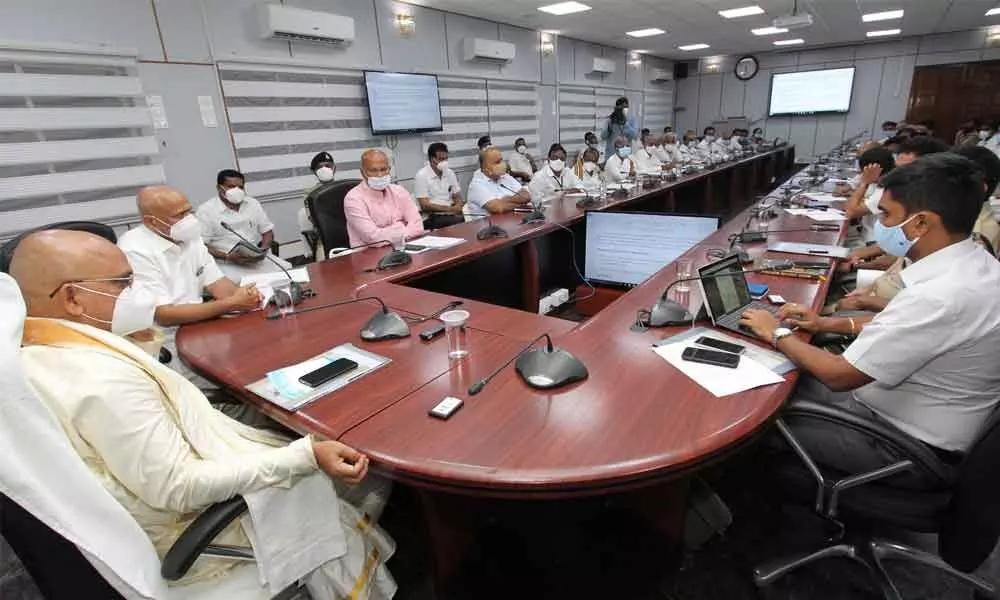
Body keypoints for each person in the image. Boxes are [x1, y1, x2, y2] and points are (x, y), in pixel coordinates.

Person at [11, 230, 396, 598]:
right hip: (202, 531)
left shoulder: (39, 350)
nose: (139, 294)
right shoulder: (99, 380)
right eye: (122, 283)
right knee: (371, 469)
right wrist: (306, 456)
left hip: (159, 485)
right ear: (74, 300)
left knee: (281, 424)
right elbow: (179, 489)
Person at [741, 153, 1000, 483]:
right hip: (900, 412)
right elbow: (909, 327)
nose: (882, 225)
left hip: (901, 447)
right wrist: (823, 323)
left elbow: (839, 376)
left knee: (756, 419)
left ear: (922, 223)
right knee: (778, 378)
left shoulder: (942, 295)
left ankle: (765, 520)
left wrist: (776, 332)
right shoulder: (973, 264)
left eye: (888, 215)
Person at [196, 169, 292, 282]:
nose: (236, 190)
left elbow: (267, 232)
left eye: (240, 187)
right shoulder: (206, 211)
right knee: (243, 284)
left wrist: (264, 249)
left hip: (255, 258)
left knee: (287, 271)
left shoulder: (252, 203)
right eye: (231, 187)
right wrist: (227, 257)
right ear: (219, 188)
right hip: (227, 263)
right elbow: (201, 245)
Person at [343, 149, 425, 247]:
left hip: (405, 247)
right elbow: (373, 238)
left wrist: (389, 234)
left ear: (389, 169)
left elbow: (418, 226)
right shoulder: (353, 199)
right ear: (362, 172)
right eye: (373, 170)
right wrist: (401, 227)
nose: (380, 175)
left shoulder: (399, 191)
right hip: (368, 255)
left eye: (383, 169)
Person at [465, 146, 531, 218]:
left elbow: (526, 196)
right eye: (497, 162)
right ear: (486, 169)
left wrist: (507, 199)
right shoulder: (476, 185)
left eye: (502, 160)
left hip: (512, 221)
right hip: (489, 227)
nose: (502, 164)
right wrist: (519, 204)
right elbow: (498, 208)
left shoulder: (505, 176)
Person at [414, 142, 464, 230]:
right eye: (441, 159)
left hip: (450, 212)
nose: (444, 162)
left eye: (446, 159)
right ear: (431, 159)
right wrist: (449, 209)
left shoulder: (450, 173)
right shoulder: (421, 175)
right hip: (432, 216)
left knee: (470, 216)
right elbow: (424, 205)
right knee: (459, 220)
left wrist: (458, 206)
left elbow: (457, 195)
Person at [298, 151, 337, 260]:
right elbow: (313, 218)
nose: (325, 169)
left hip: (351, 234)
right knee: (324, 265)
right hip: (324, 238)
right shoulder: (310, 194)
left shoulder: (345, 187)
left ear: (334, 168)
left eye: (328, 166)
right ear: (314, 172)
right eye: (320, 167)